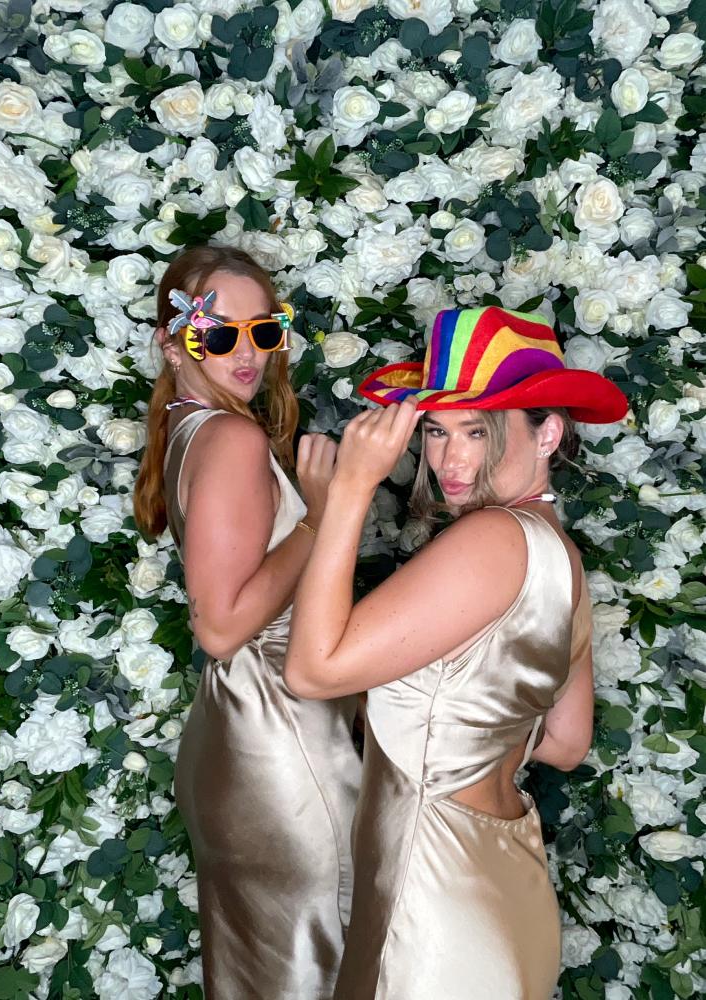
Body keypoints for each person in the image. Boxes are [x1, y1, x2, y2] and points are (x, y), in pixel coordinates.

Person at [284, 305, 628, 1000]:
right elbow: (566, 743)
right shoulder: (560, 554)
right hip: (506, 885)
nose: (450, 459)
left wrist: (348, 490)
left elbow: (312, 672)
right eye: (437, 431)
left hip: (432, 901)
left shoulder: (491, 539)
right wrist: (457, 722)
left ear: (548, 433)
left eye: (478, 430)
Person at [133, 245, 361, 999]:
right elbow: (221, 628)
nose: (247, 353)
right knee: (320, 967)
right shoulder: (231, 439)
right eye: (219, 333)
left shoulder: (193, 430)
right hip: (281, 737)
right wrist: (320, 518)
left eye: (263, 332)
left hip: (250, 729)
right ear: (173, 343)